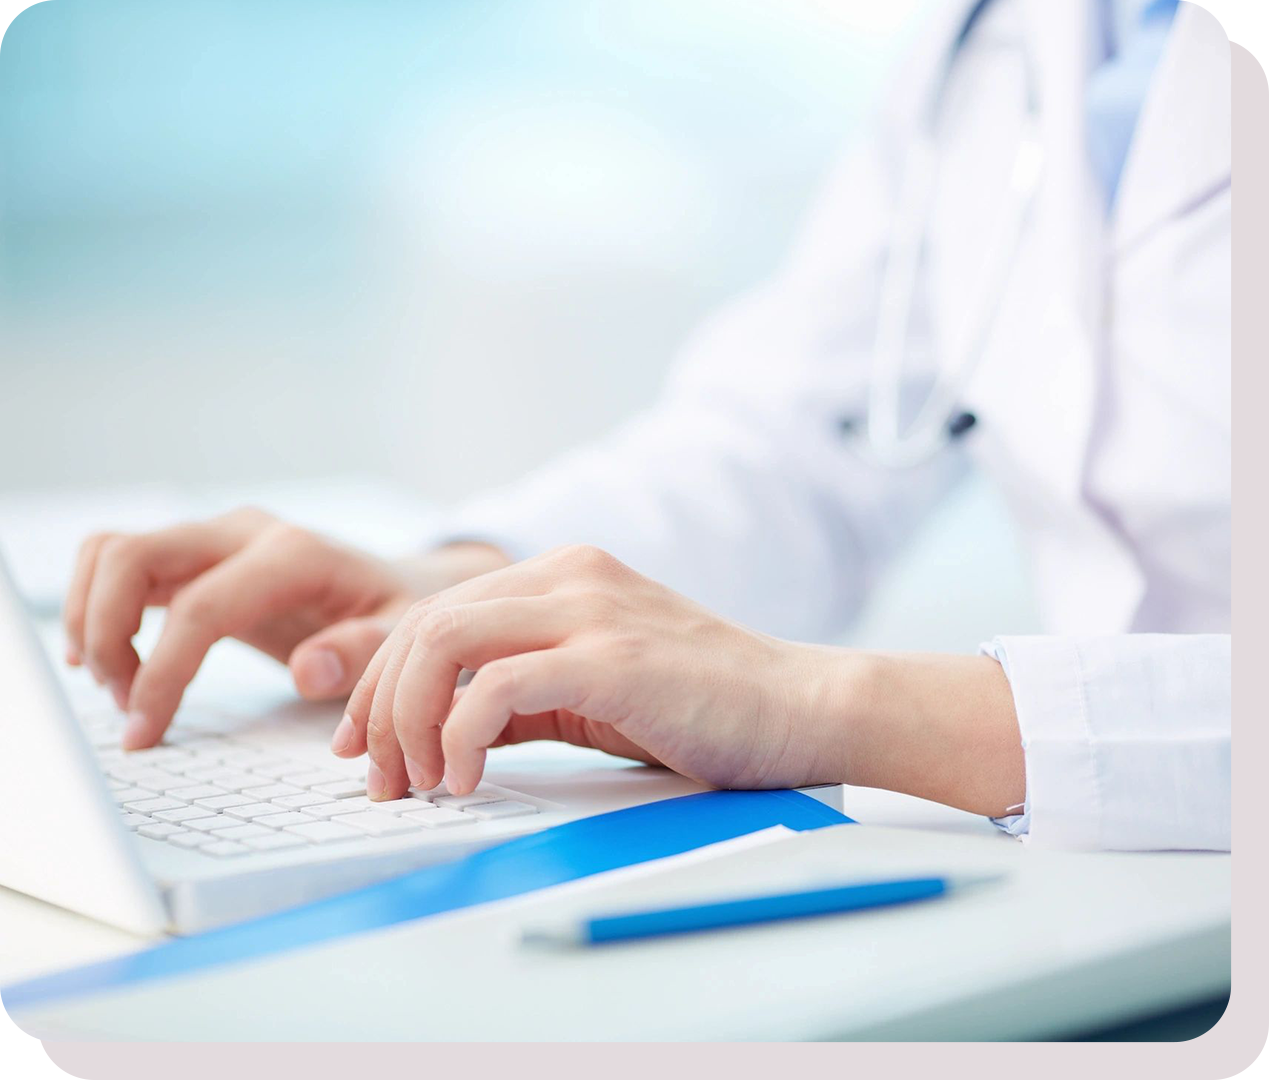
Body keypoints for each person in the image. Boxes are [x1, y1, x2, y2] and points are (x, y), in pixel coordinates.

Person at [62, 0, 1232, 852]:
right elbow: (801, 438)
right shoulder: (1019, 33)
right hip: (1098, 885)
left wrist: (820, 705)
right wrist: (466, 590)